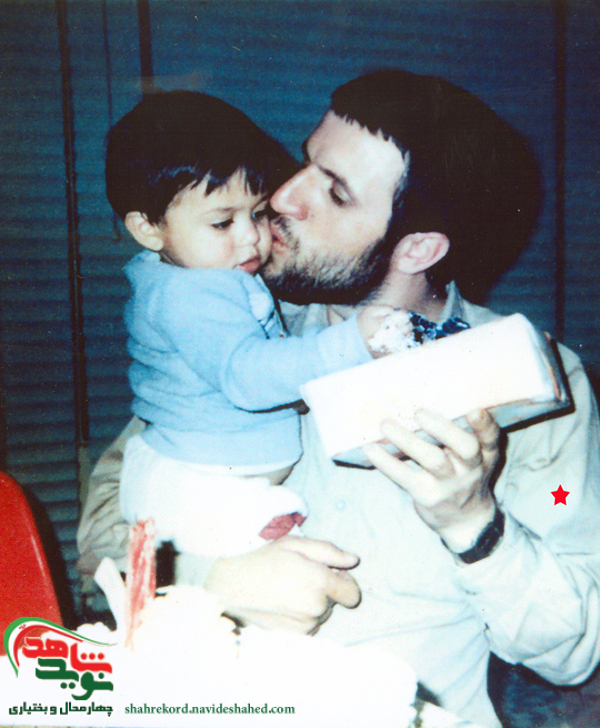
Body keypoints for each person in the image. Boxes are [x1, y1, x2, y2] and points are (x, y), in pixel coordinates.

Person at [78, 70, 600, 728]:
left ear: (418, 247)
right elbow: (104, 526)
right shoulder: (242, 330)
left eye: (334, 192)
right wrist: (201, 578)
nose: (283, 197)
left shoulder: (529, 383)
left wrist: (474, 522)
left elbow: (574, 649)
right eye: (306, 163)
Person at [105, 90, 392, 560]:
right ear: (148, 229)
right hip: (197, 479)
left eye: (257, 213)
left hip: (217, 473)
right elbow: (246, 374)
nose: (252, 237)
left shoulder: (209, 275)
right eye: (222, 223)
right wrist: (349, 343)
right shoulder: (190, 293)